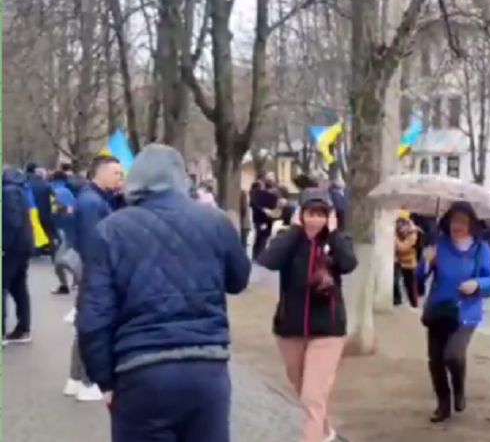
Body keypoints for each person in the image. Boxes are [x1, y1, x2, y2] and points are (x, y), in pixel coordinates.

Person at [77, 144, 252, 441]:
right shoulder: (214, 221)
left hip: (140, 371)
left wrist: (103, 380)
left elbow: (93, 315)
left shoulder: (111, 231)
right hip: (206, 368)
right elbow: (238, 279)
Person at [257, 189, 358, 441]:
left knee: (311, 397)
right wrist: (293, 231)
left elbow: (348, 264)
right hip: (290, 328)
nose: (316, 220)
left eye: (321, 214)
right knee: (303, 390)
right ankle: (325, 432)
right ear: (301, 215)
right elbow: (268, 260)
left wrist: (333, 234)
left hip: (328, 329)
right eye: (310, 214)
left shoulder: (337, 240)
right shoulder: (289, 240)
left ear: (330, 216)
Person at [415, 201, 490, 423]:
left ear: (472, 224)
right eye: (454, 220)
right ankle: (443, 404)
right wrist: (426, 262)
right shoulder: (439, 245)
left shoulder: (480, 249)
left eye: (463, 221)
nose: (458, 225)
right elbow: (418, 279)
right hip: (438, 309)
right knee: (435, 361)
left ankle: (459, 389)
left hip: (466, 311)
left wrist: (477, 284)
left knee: (453, 355)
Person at [66, 155, 127, 401]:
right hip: (96, 273)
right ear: (99, 173)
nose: (120, 179)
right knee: (94, 325)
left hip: (92, 272)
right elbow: (95, 245)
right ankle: (88, 381)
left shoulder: (95, 199)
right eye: (116, 173)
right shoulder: (92, 203)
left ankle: (75, 378)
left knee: (85, 324)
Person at [2, 167, 35, 346]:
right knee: (18, 286)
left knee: (6, 286)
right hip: (22, 245)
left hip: (12, 247)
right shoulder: (17, 188)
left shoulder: (7, 191)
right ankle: (23, 329)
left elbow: (11, 222)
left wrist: (4, 246)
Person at [50, 170, 79, 294]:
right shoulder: (67, 191)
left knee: (60, 261)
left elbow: (64, 210)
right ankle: (70, 283)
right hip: (68, 230)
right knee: (61, 261)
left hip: (65, 231)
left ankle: (75, 282)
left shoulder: (58, 192)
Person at [251, 172, 282, 258]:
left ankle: (259, 254)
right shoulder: (259, 191)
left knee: (265, 235)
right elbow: (255, 204)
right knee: (260, 236)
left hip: (268, 218)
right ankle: (257, 254)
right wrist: (264, 210)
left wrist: (274, 210)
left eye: (272, 179)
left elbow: (278, 203)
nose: (270, 181)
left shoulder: (275, 191)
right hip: (261, 218)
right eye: (269, 179)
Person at [394, 215, 420, 308]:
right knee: (394, 282)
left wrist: (394, 239)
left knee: (411, 286)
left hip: (408, 262)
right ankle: (397, 301)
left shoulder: (412, 233)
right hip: (397, 261)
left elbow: (403, 247)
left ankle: (414, 304)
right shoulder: (396, 229)